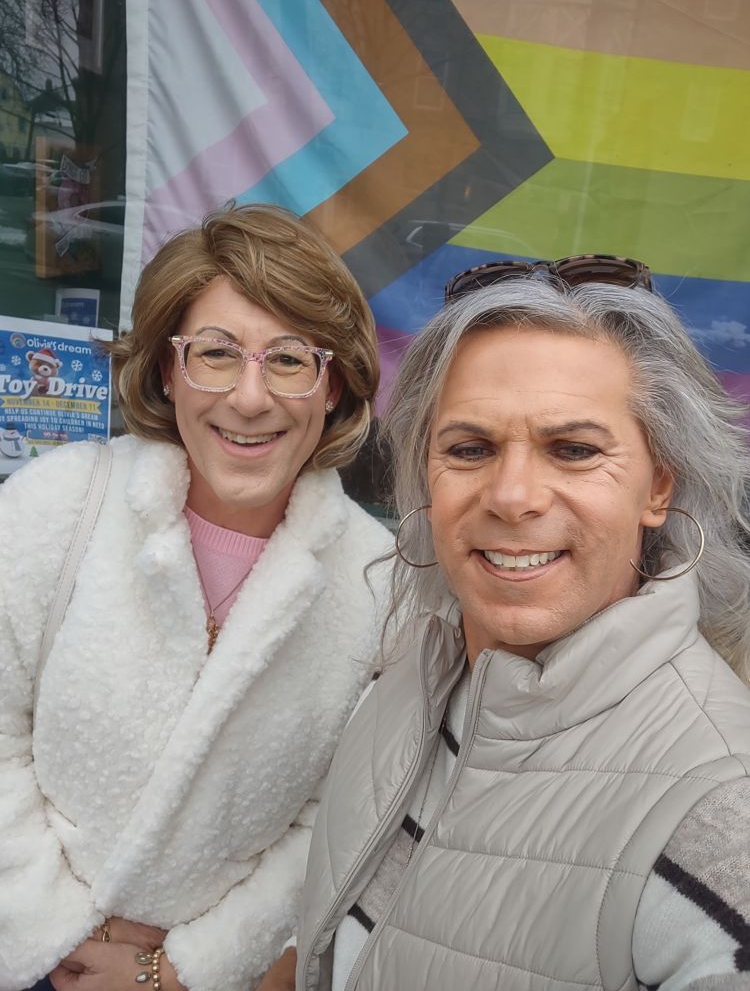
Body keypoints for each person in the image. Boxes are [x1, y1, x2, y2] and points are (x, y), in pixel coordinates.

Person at [291, 257, 750, 990]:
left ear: (658, 485)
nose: (511, 496)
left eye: (574, 450)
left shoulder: (721, 808)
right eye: (469, 449)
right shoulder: (414, 676)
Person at [0, 203, 393, 991]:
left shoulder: (377, 582)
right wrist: (55, 930)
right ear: (165, 370)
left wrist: (180, 969)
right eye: (215, 353)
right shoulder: (55, 507)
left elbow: (336, 822)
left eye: (290, 360)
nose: (249, 397)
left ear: (334, 384)